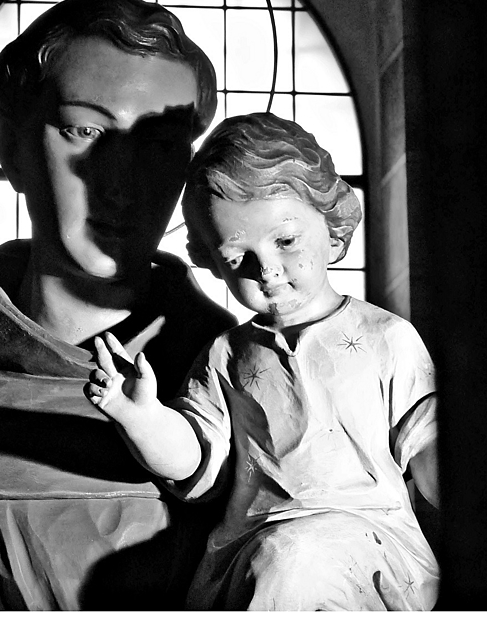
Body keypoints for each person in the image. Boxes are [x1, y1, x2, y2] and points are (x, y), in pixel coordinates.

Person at [0, 0, 236, 610]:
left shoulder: (252, 394)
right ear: (12, 151)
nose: (120, 182)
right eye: (84, 131)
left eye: (160, 144)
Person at [85, 112, 440, 611]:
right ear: (212, 262)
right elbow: (198, 465)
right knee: (282, 560)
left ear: (332, 226)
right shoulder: (225, 354)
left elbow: (429, 449)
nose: (267, 270)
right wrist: (141, 418)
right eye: (237, 258)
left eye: (286, 241)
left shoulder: (387, 337)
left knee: (297, 559)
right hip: (254, 545)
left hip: (372, 540)